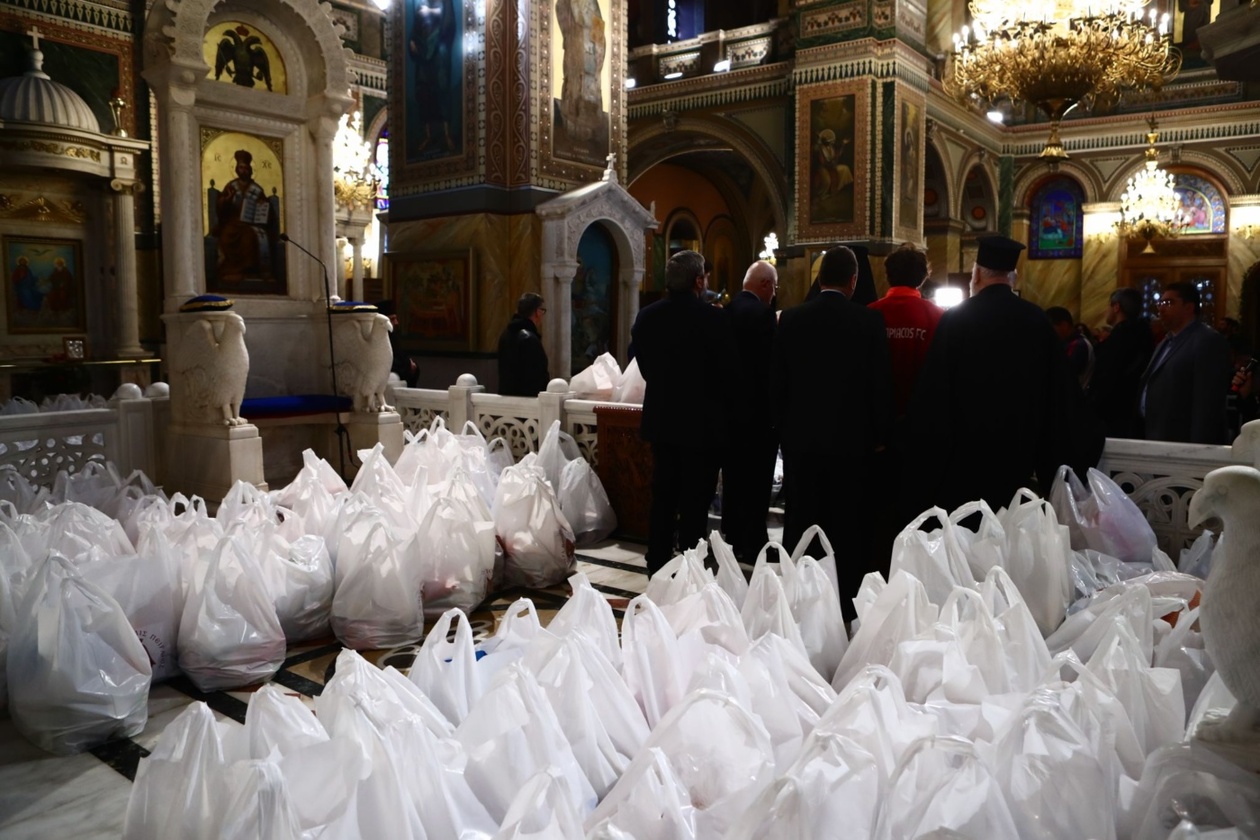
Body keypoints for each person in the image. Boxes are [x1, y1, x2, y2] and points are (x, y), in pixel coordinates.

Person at [901, 235, 1104, 518]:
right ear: (1014, 277)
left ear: (976, 275)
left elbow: (934, 394)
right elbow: (1061, 394)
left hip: (963, 461)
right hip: (1020, 461)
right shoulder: (1036, 320)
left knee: (966, 542)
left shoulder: (956, 319)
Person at [771, 246, 892, 618]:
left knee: (802, 518)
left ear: (819, 278)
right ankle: (843, 605)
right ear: (854, 281)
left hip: (801, 442)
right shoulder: (869, 322)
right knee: (846, 523)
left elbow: (778, 384)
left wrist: (781, 430)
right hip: (851, 446)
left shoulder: (789, 320)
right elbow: (879, 386)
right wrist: (881, 436)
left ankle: (797, 600)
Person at [632, 249, 737, 574]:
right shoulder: (715, 318)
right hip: (702, 428)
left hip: (663, 422)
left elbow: (644, 366)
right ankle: (691, 563)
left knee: (663, 494)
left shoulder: (647, 317)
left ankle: (657, 560)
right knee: (696, 498)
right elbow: (728, 373)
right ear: (698, 280)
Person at [721, 260, 779, 564]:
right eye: (775, 287)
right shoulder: (763, 316)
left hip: (727, 415)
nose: (774, 294)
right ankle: (753, 541)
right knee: (757, 482)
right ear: (766, 285)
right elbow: (769, 370)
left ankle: (730, 536)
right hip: (757, 417)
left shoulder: (724, 313)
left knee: (732, 479)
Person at [1140, 282, 1234, 444]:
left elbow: (1206, 403)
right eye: (1160, 303)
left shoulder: (1207, 340)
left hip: (1181, 440)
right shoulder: (1166, 341)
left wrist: (1197, 449)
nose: (1161, 309)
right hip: (1156, 435)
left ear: (1189, 307)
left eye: (1169, 303)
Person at [868, 244, 944, 420]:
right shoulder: (938, 315)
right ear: (923, 277)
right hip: (922, 414)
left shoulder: (870, 312)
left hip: (877, 415)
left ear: (888, 275)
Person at [1088, 287, 1154, 438]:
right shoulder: (1143, 335)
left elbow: (1107, 379)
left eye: (1109, 306)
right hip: (1133, 413)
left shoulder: (1119, 339)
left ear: (1116, 307)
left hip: (1113, 416)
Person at [213, 149, 277, 283]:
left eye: (246, 168)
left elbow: (268, 209)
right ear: (236, 169)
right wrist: (227, 199)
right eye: (241, 168)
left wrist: (263, 205)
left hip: (251, 224)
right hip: (233, 221)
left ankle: (249, 272)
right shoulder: (231, 186)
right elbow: (220, 207)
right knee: (226, 235)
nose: (243, 171)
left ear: (250, 170)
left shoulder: (257, 189)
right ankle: (230, 270)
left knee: (250, 236)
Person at [409, 0, 457, 155]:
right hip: (422, 55)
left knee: (441, 90)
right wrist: (413, 43)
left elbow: (448, 25)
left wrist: (435, 43)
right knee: (423, 91)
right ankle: (428, 136)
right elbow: (416, 26)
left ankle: (446, 134)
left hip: (439, 54)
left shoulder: (445, 3)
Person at [497, 293, 551, 396]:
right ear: (537, 312)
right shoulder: (529, 339)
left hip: (506, 399)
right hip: (528, 403)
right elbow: (536, 376)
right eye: (542, 310)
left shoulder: (505, 334)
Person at [374, 300, 419, 387]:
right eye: (392, 319)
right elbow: (386, 362)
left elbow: (399, 356)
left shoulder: (392, 337)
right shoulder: (377, 339)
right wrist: (407, 365)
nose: (396, 322)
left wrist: (410, 364)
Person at [1047, 306, 1094, 389]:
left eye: (1051, 328)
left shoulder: (1079, 345)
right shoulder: (1069, 342)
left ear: (1064, 325)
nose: (1049, 332)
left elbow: (1062, 375)